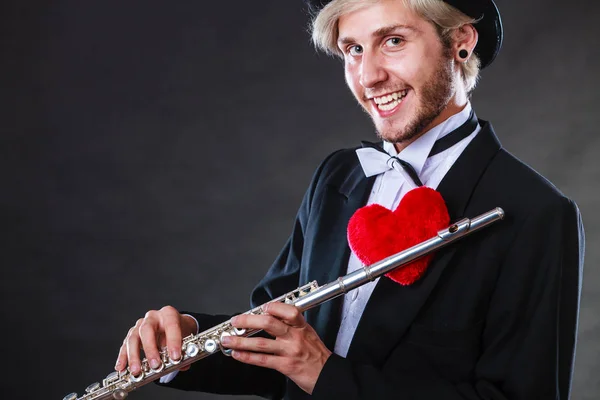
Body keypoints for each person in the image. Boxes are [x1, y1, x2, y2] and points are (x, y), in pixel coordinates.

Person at [114, 0, 585, 399]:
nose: (369, 76)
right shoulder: (338, 175)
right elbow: (278, 349)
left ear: (461, 40)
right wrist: (184, 344)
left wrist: (327, 375)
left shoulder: (536, 213)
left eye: (393, 41)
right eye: (353, 50)